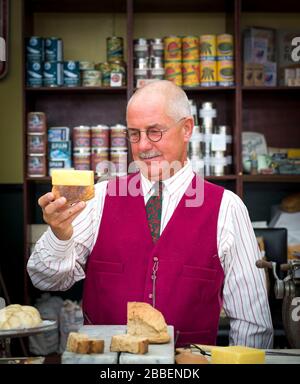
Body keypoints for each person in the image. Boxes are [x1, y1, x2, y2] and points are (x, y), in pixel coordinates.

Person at [27, 80, 273, 348]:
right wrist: (59, 236)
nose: (143, 145)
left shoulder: (227, 207)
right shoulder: (98, 198)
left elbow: (253, 323)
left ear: (187, 128)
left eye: (155, 132)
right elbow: (45, 279)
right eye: (134, 133)